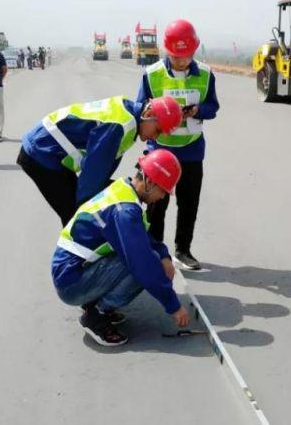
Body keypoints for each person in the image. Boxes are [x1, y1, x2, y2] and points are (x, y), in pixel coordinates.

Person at [53, 149, 189, 346]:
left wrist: (164, 254)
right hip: (72, 284)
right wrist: (173, 305)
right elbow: (143, 263)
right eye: (163, 191)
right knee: (145, 265)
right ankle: (96, 316)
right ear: (150, 183)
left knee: (150, 257)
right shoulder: (124, 212)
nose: (162, 197)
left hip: (72, 271)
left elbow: (141, 235)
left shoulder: (124, 191)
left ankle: (95, 302)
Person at [18, 95, 182, 226]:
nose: (154, 137)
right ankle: (72, 263)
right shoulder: (121, 125)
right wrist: (90, 210)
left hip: (49, 150)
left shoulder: (129, 117)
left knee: (93, 206)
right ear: (148, 114)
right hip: (42, 152)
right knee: (76, 218)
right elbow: (92, 176)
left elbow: (104, 168)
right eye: (157, 130)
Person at [136, 19, 219, 271]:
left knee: (188, 204)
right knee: (156, 205)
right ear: (166, 51)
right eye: (175, 55)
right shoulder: (152, 75)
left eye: (186, 55)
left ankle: (183, 250)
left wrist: (198, 110)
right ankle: (155, 251)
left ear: (194, 50)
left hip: (192, 152)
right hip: (160, 151)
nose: (181, 60)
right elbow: (141, 109)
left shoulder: (205, 74)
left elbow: (213, 107)